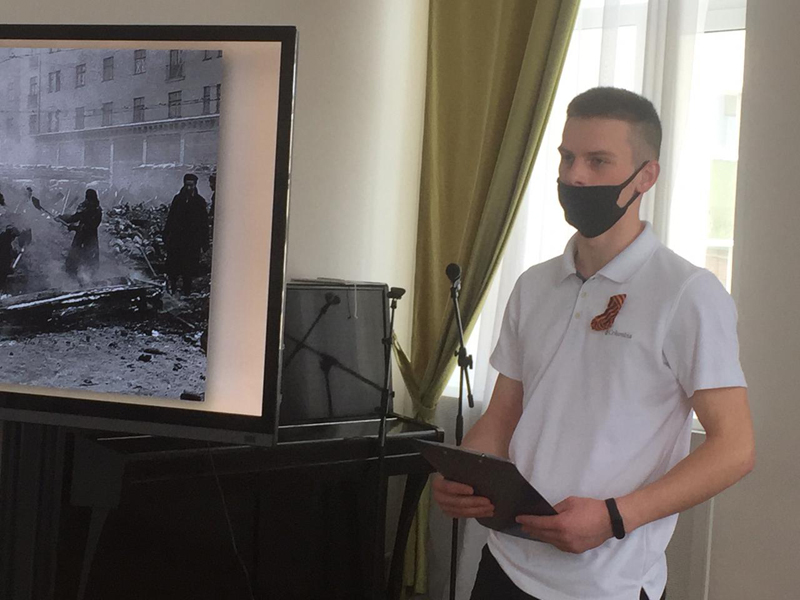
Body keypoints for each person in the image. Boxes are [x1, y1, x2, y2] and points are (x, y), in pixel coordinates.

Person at [432, 87, 755, 600]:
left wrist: (613, 517)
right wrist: (466, 474)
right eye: (567, 157)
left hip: (609, 584)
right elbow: (503, 416)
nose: (575, 176)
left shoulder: (688, 293)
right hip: (507, 565)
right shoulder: (534, 286)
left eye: (598, 161)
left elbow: (734, 448)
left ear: (645, 176)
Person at [164, 173, 209, 295]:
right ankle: (173, 289)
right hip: (177, 240)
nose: (189, 188)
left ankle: (187, 292)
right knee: (174, 266)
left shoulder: (200, 202)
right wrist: (166, 235)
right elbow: (171, 218)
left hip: (192, 241)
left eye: (191, 185)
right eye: (187, 185)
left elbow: (204, 223)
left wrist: (204, 243)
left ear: (195, 185)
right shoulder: (178, 200)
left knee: (188, 268)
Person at [61, 188, 103, 282]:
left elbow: (91, 226)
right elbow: (75, 217)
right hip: (81, 237)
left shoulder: (96, 211)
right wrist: (63, 218)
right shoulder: (85, 207)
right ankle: (72, 277)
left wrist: (74, 228)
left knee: (88, 258)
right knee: (75, 257)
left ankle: (86, 279)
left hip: (89, 238)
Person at [0, 225, 20, 290]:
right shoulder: (5, 242)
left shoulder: (5, 241)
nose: (14, 239)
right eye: (14, 236)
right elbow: (5, 256)